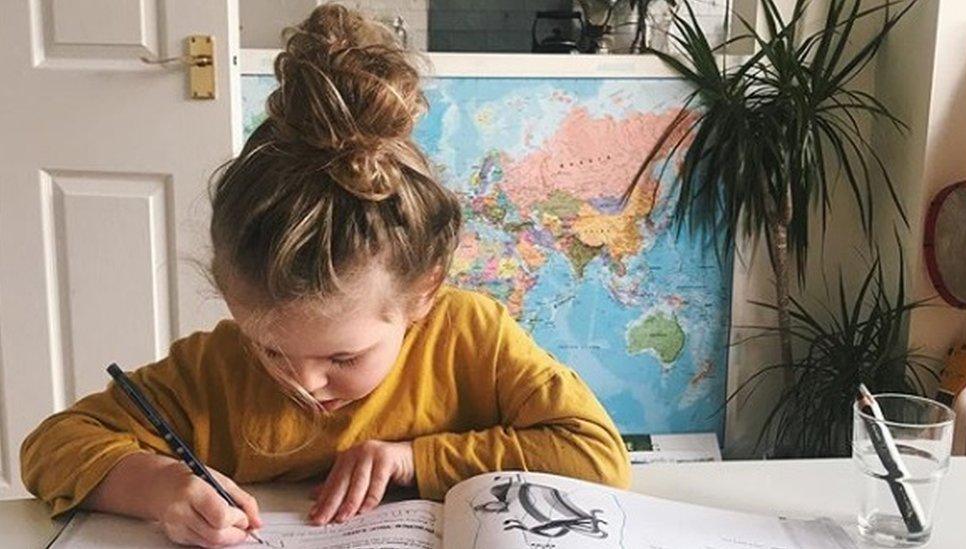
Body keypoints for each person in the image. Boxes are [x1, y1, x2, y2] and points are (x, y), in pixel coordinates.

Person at [20, 4, 630, 547]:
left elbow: (597, 455)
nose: (303, 381)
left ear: (423, 292)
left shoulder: (471, 336)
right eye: (270, 348)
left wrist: (414, 460)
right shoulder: (214, 373)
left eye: (341, 356)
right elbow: (51, 447)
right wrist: (160, 486)